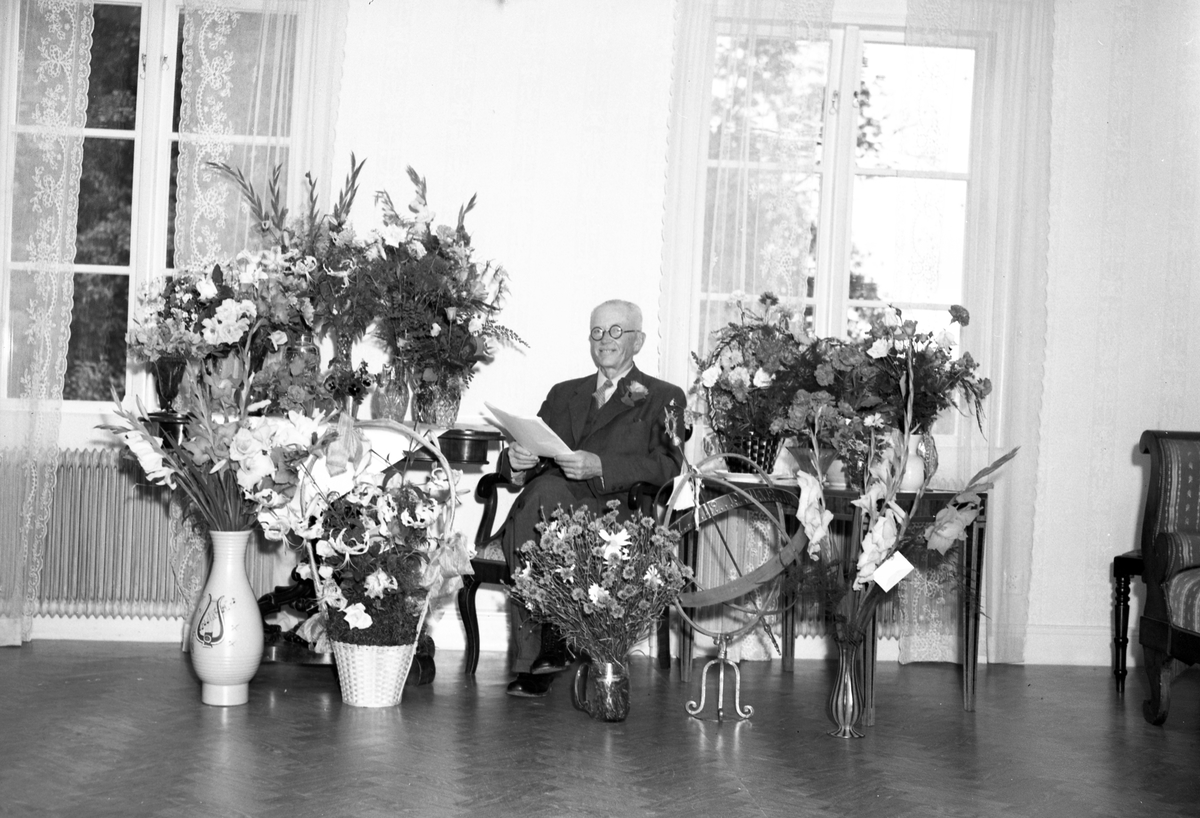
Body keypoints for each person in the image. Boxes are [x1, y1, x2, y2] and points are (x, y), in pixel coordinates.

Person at [496, 299, 687, 697]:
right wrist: (515, 460)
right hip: (547, 506)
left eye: (616, 331)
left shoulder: (665, 397)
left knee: (538, 499)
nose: (605, 340)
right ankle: (547, 644)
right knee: (540, 493)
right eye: (597, 331)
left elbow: (669, 465)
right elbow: (535, 447)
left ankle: (541, 650)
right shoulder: (564, 393)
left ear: (638, 341)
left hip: (614, 513)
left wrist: (601, 465)